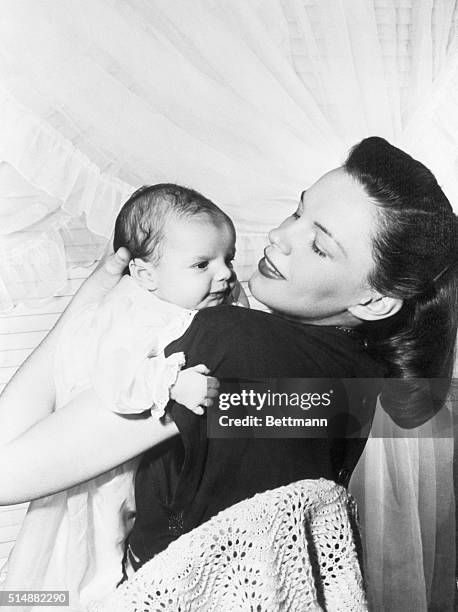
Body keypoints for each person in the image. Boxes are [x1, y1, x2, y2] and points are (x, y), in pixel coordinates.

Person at [0, 138, 456, 604]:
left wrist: (95, 297)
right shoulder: (355, 378)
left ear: (375, 300)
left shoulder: (230, 343)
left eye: (318, 245)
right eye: (297, 212)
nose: (281, 237)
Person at [0, 184, 248, 608]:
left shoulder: (166, 302)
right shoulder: (132, 310)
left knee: (71, 564)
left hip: (117, 468)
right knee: (79, 566)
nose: (223, 274)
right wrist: (172, 384)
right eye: (202, 264)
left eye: (228, 259)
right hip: (96, 474)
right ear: (145, 275)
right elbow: (117, 379)